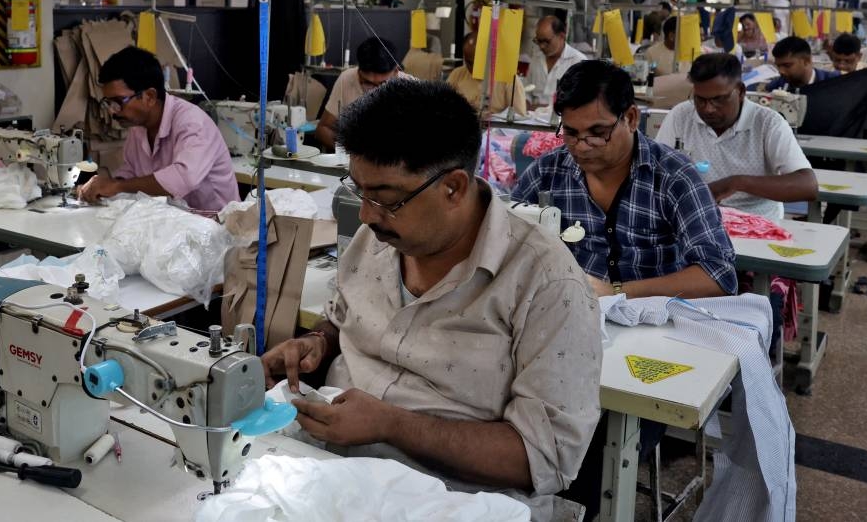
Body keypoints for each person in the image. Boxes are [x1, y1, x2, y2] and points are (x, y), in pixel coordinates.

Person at [261, 80, 601, 522]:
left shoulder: (547, 284)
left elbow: (542, 458)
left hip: (453, 500)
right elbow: (343, 317)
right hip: (331, 471)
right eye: (358, 191)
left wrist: (391, 424)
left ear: (454, 188)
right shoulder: (377, 238)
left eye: (385, 199)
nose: (365, 215)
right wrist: (319, 343)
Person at [512, 60, 737, 300]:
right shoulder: (549, 170)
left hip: (654, 323)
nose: (581, 146)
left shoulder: (674, 177)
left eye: (598, 133)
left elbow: (719, 275)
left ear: (630, 118)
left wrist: (615, 292)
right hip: (570, 310)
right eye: (571, 133)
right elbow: (504, 238)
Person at [655, 53, 818, 221]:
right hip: (697, 219)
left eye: (719, 99)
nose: (708, 109)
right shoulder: (681, 115)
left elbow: (807, 186)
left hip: (756, 224)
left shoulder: (768, 123)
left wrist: (737, 183)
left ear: (740, 91)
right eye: (700, 100)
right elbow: (655, 171)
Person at [77, 46, 239, 212]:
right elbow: (131, 173)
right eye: (108, 103)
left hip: (217, 226)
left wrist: (117, 185)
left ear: (150, 96)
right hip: (178, 222)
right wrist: (101, 187)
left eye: (118, 101)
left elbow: (184, 178)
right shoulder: (138, 127)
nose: (112, 111)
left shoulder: (192, 123)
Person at [317, 37, 410, 150]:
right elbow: (323, 128)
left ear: (396, 71)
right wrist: (349, 152)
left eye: (383, 83)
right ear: (358, 71)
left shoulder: (411, 89)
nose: (375, 91)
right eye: (367, 83)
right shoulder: (347, 78)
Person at [447, 32, 527, 115]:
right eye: (469, 63)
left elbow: (519, 118)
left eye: (479, 62)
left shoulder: (509, 79)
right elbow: (441, 105)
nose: (474, 68)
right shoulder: (457, 75)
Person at [526, 15, 586, 106]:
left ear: (562, 36)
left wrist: (547, 108)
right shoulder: (536, 58)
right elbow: (526, 90)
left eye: (546, 41)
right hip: (531, 117)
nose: (541, 46)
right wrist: (525, 103)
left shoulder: (578, 62)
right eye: (538, 41)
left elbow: (580, 101)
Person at [766, 36, 840, 91]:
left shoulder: (834, 83)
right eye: (778, 66)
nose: (781, 71)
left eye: (787, 65)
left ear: (806, 61)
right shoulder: (775, 86)